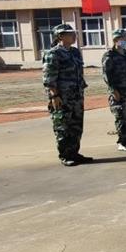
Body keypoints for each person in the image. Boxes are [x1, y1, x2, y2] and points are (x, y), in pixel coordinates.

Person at [42, 23, 91, 166]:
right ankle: (65, 155)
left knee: (76, 126)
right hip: (62, 97)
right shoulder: (53, 54)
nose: (73, 36)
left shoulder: (75, 52)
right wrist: (54, 96)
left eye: (73, 33)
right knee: (63, 127)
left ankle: (74, 153)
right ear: (60, 36)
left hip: (76, 96)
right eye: (69, 34)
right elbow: (49, 78)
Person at [101, 28, 126, 152]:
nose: (125, 40)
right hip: (118, 92)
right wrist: (113, 91)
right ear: (116, 40)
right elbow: (107, 75)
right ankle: (123, 142)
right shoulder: (109, 55)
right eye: (123, 38)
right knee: (121, 117)